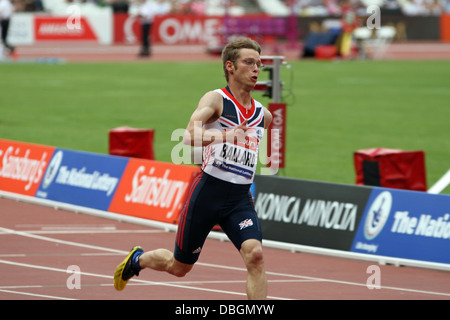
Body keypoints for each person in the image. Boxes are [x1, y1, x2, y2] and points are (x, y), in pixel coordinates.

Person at [114, 37, 272, 300]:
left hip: (239, 199)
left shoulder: (263, 116)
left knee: (255, 255)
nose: (256, 68)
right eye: (249, 62)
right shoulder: (216, 99)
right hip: (207, 194)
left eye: (259, 63)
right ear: (230, 66)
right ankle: (137, 260)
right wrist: (224, 137)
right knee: (179, 267)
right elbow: (188, 135)